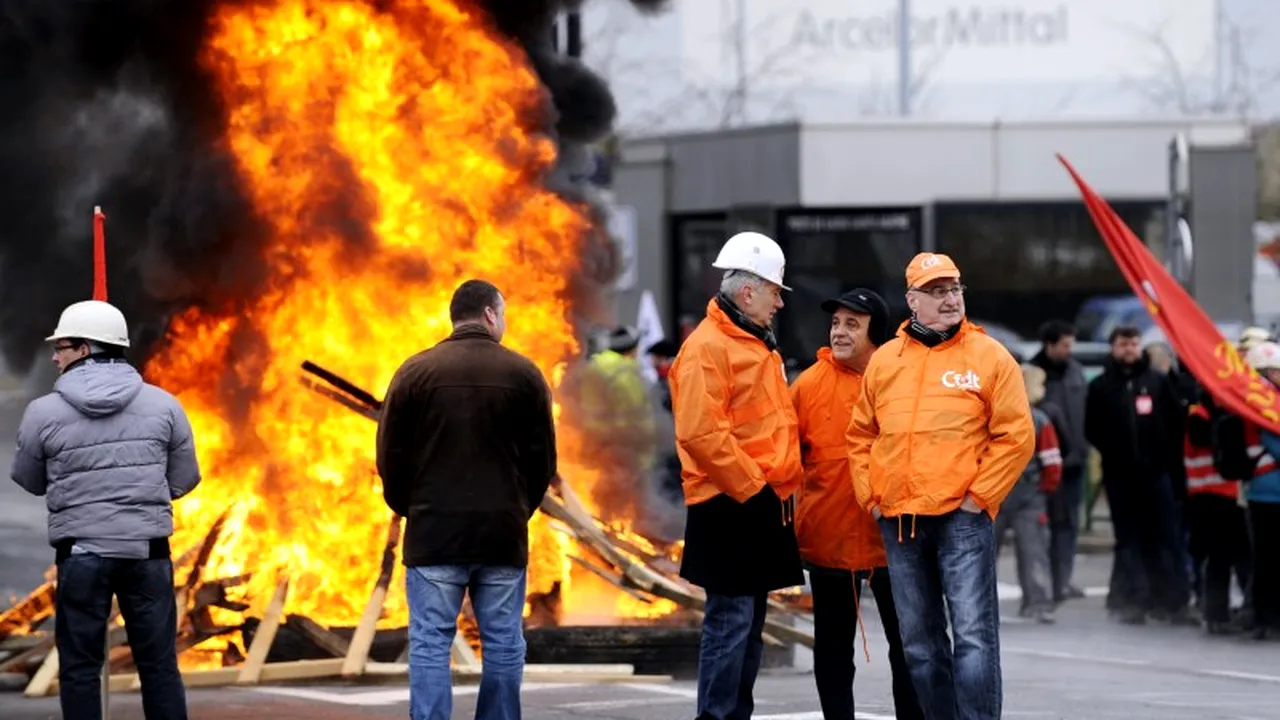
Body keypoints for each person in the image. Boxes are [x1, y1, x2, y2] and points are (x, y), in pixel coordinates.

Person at [847, 252, 1035, 720]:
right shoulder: (886, 359)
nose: (949, 299)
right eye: (936, 292)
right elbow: (860, 435)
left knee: (973, 639)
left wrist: (979, 499)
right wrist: (871, 497)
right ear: (912, 300)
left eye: (954, 289)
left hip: (961, 519)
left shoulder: (989, 356)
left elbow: (1016, 435)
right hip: (900, 519)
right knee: (919, 646)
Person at [10, 300, 201, 720]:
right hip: (147, 555)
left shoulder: (43, 412)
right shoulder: (165, 405)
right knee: (159, 667)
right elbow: (186, 478)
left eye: (62, 346)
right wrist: (141, 498)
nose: (54, 356)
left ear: (85, 349)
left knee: (80, 669)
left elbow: (29, 480)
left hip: (82, 558)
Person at [376, 279, 557, 720]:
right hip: (501, 535)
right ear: (491, 315)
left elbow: (390, 458)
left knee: (431, 642)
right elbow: (543, 462)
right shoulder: (524, 374)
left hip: (435, 533)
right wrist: (517, 510)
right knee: (503, 643)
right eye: (505, 313)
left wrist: (412, 508)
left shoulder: (414, 373)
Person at [670, 231, 805, 720]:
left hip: (753, 500)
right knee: (731, 624)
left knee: (746, 627)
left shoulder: (751, 343)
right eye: (775, 292)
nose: (780, 304)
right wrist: (757, 489)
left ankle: (733, 715)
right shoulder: (709, 348)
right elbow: (702, 434)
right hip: (731, 504)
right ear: (748, 293)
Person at [790, 289, 923, 720]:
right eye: (836, 323)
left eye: (852, 324)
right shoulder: (808, 385)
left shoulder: (902, 381)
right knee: (832, 649)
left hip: (894, 540)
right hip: (830, 540)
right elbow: (787, 460)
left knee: (909, 648)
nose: (839, 332)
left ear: (876, 334)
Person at [1085, 325, 1192, 625]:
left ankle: (1173, 600)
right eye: (1123, 344)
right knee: (1128, 540)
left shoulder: (1156, 382)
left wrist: (1162, 458)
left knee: (1165, 536)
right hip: (1120, 476)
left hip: (1156, 473)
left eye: (1133, 343)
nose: (1129, 349)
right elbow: (1092, 427)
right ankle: (1133, 599)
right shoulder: (1102, 386)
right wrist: (1114, 451)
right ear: (1113, 347)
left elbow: (1175, 424)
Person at [994, 365, 1064, 624]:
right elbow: (1052, 462)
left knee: (982, 555)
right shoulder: (1040, 419)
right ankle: (1038, 603)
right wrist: (1046, 489)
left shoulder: (993, 416)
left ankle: (977, 603)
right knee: (1034, 552)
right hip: (1030, 495)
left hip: (993, 495)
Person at [1182, 394, 1254, 634]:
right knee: (1220, 555)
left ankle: (1245, 608)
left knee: (1241, 554)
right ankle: (1216, 613)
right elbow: (1208, 440)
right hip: (1209, 494)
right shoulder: (1199, 416)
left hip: (1230, 494)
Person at [1030, 320, 1089, 603]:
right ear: (1049, 345)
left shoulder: (1076, 372)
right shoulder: (1033, 375)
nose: (1069, 351)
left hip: (1075, 462)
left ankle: (1064, 578)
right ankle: (1048, 582)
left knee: (1069, 525)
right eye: (1064, 345)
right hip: (1045, 465)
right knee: (1045, 528)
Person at [1243, 342, 1280, 640]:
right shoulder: (1261, 406)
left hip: (1264, 491)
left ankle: (1265, 617)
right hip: (1267, 492)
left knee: (1267, 559)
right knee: (1267, 559)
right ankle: (1266, 618)